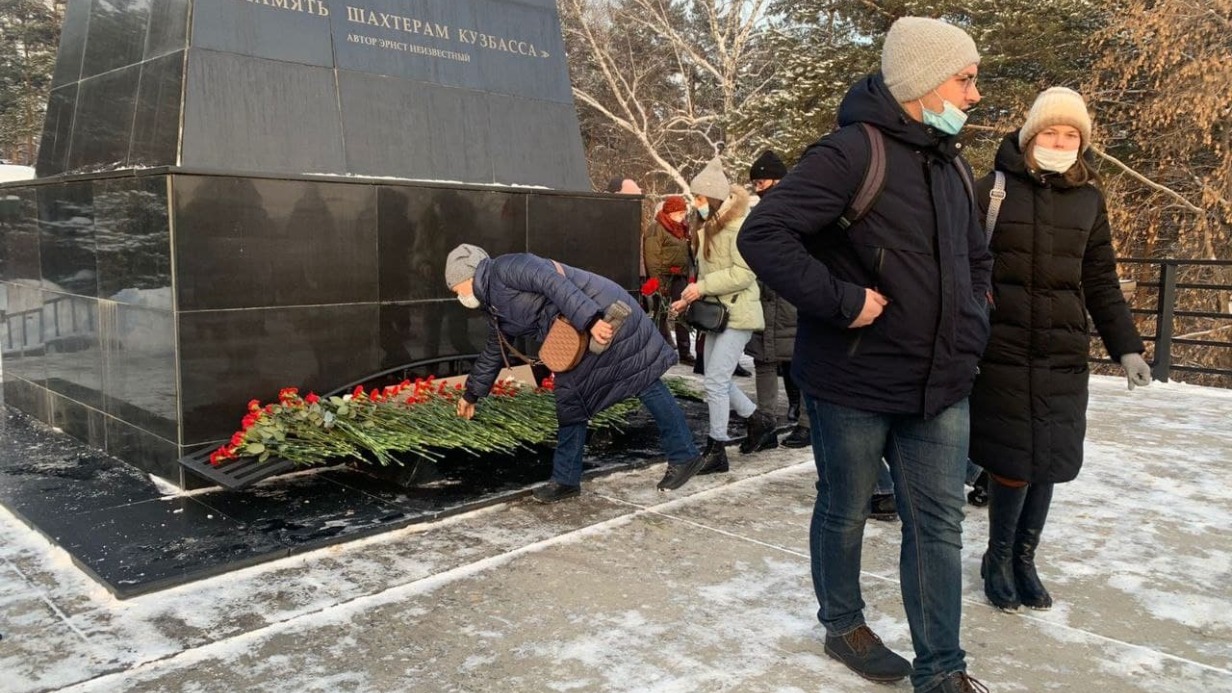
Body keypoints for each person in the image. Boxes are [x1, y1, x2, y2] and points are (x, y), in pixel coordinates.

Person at [738, 17, 991, 693]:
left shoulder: (953, 163)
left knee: (938, 525)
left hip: (940, 383)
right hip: (852, 381)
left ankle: (943, 669)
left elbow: (976, 258)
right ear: (921, 81)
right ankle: (843, 624)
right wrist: (843, 300)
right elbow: (764, 234)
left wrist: (974, 319)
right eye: (964, 79)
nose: (973, 95)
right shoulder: (851, 153)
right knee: (846, 507)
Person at [972, 87, 1150, 612]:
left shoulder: (1089, 199)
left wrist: (1127, 348)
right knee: (1012, 460)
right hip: (1003, 350)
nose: (1060, 142)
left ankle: (1024, 559)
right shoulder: (990, 192)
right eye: (1050, 132)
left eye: (1071, 134)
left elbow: (1101, 281)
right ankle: (997, 557)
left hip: (1063, 352)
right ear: (1030, 136)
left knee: (1048, 460)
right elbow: (962, 268)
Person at [444, 244, 706, 502]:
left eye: (457, 289)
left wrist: (591, 321)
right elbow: (494, 350)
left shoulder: (507, 268)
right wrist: (471, 395)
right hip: (577, 331)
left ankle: (684, 456)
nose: (459, 297)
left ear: (468, 276)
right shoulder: (493, 305)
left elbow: (554, 283)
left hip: (604, 315)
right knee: (572, 401)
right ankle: (566, 480)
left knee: (643, 380)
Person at [671, 156, 774, 475]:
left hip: (738, 313)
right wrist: (688, 298)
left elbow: (744, 273)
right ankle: (759, 421)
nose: (696, 203)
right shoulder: (706, 228)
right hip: (717, 314)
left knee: (715, 381)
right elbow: (704, 275)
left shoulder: (738, 227)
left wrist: (700, 288)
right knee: (716, 379)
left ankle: (717, 448)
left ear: (715, 198)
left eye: (701, 197)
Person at [745, 150, 810, 449]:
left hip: (789, 298)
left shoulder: (798, 209)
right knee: (764, 361)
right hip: (764, 296)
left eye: (761, 182)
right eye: (755, 184)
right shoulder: (759, 213)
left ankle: (807, 424)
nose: (758, 188)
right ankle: (766, 423)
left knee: (799, 361)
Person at [644, 195, 696, 365]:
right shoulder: (656, 228)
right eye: (680, 212)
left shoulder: (682, 229)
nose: (683, 216)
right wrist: (657, 281)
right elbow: (652, 257)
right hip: (663, 277)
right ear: (671, 212)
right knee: (660, 314)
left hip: (680, 276)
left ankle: (685, 351)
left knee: (681, 312)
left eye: (684, 213)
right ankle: (658, 351)